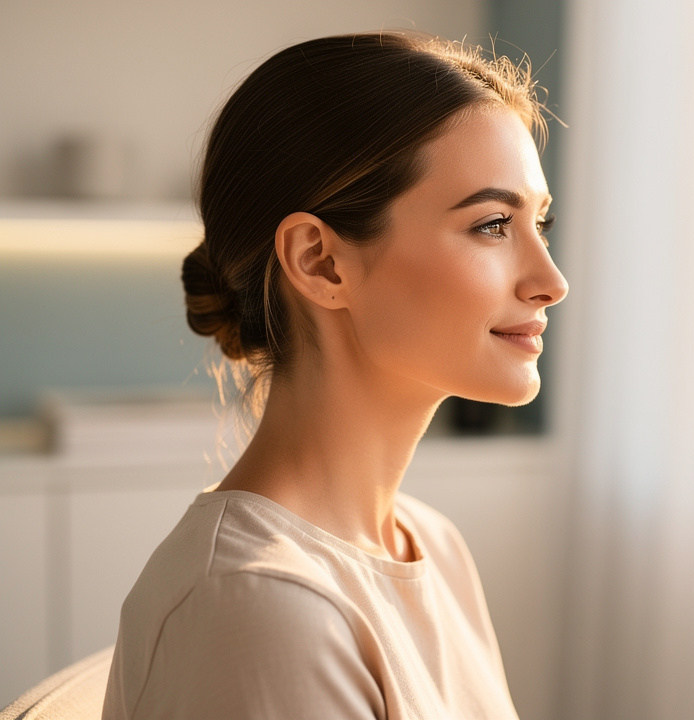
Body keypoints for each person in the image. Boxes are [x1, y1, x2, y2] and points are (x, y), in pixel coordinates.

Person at [101, 32, 567, 720]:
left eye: (541, 223)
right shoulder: (258, 605)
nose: (551, 282)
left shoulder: (431, 545)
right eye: (493, 224)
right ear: (320, 262)